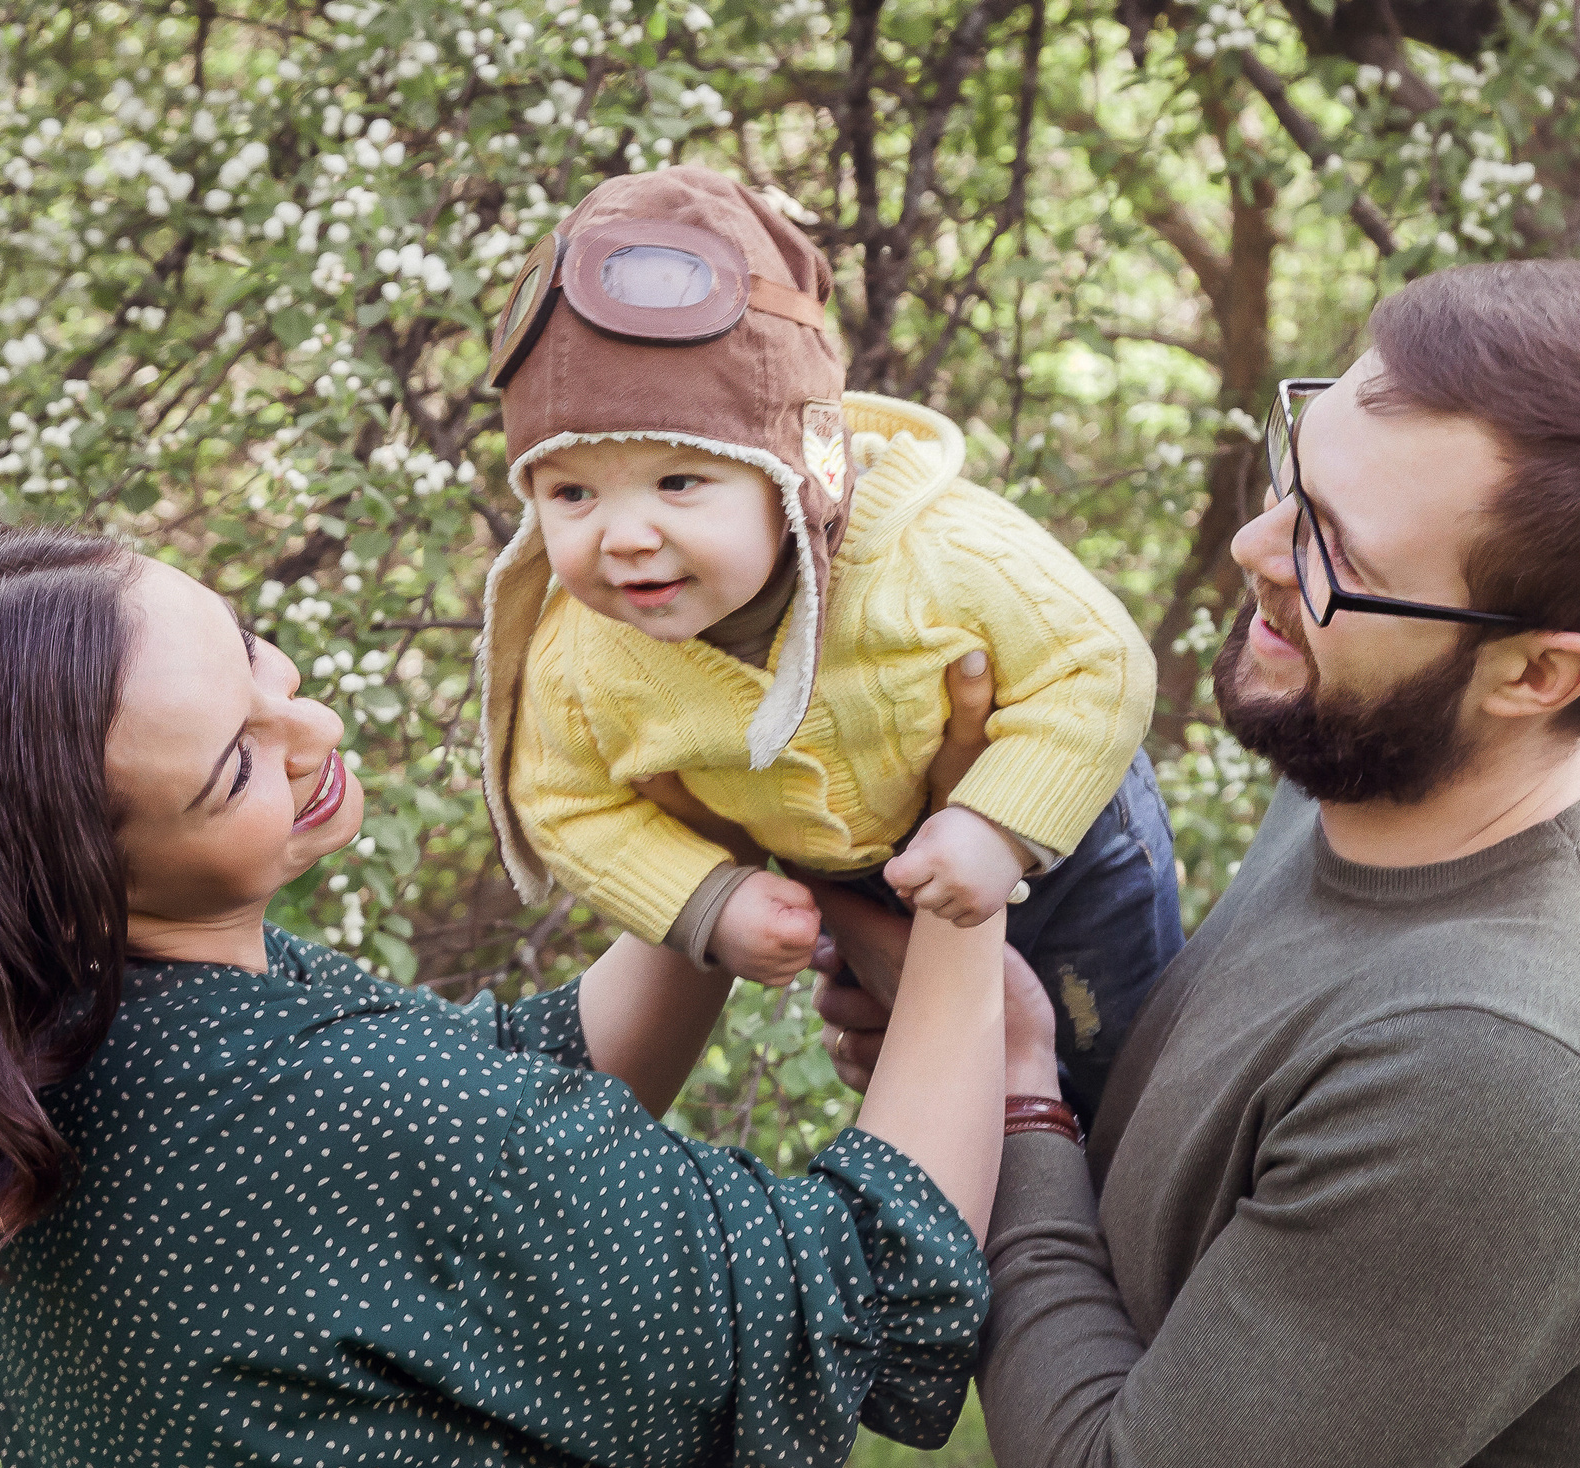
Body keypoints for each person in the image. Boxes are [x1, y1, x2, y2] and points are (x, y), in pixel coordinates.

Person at [0, 512, 1055, 1468]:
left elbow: (506, 1119)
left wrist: (716, 825)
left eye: (256, 658)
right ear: (61, 883)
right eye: (235, 766)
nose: (314, 730)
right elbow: (859, 1280)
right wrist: (967, 863)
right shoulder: (328, 1104)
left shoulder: (36, 1040)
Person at [815, 258, 1580, 1468]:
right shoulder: (1375, 763)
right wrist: (983, 1033)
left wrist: (1003, 1081)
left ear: (1537, 672)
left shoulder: (1509, 1059)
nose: (1257, 545)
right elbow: (1217, 1192)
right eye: (1295, 471)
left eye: (1332, 545)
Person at [479, 165, 1183, 1121]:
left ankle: (1137, 1180)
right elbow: (561, 800)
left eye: (680, 481)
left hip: (1062, 836)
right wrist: (706, 899)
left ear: (796, 472)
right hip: (861, 884)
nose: (624, 534)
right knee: (940, 1092)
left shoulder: (933, 550)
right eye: (571, 493)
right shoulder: (584, 659)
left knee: (1120, 1057)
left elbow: (1096, 665)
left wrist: (996, 825)